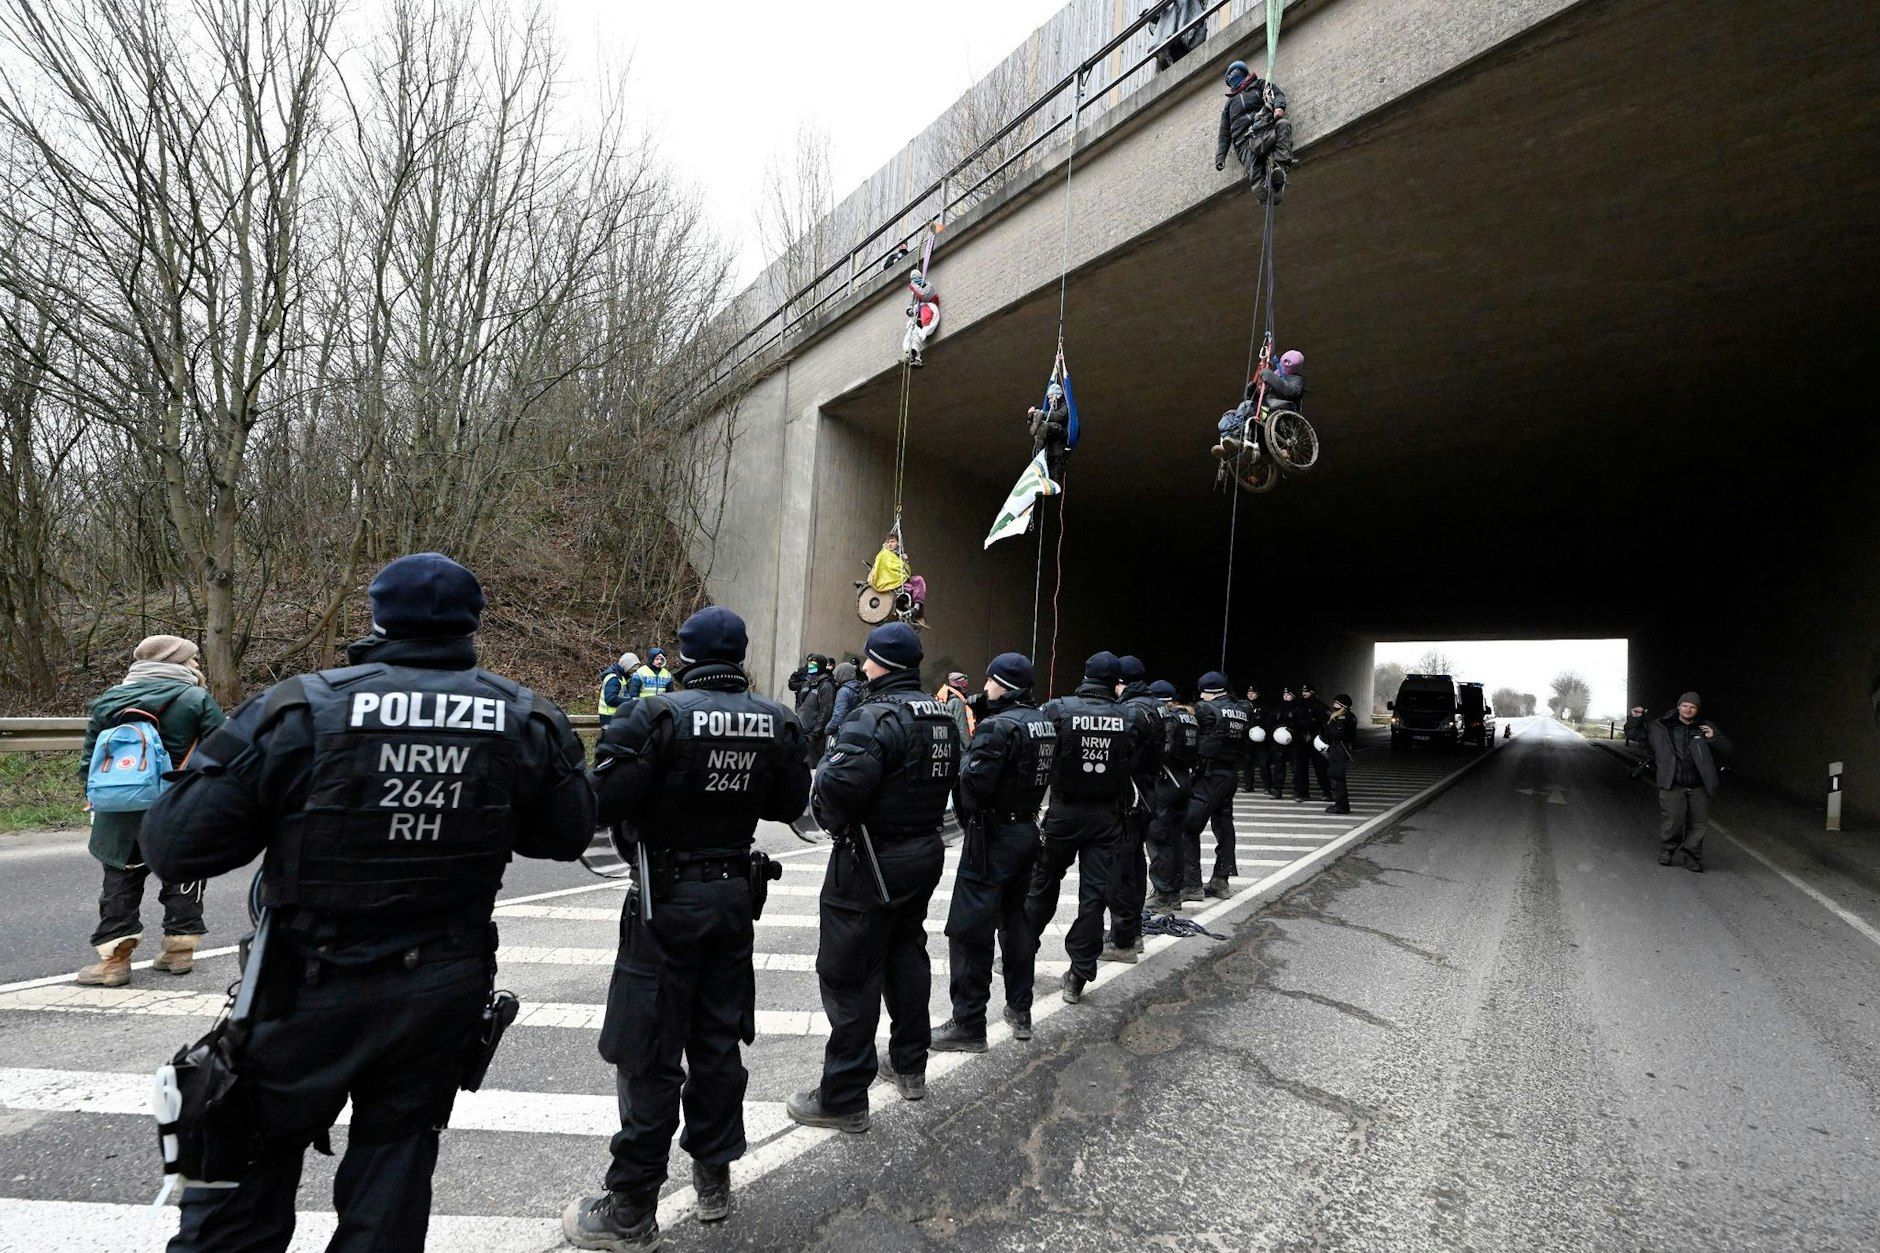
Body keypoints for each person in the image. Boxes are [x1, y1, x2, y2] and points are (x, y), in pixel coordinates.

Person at [141, 553, 594, 1253]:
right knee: (393, 1180)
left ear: (377, 618)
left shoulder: (301, 706)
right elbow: (569, 831)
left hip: (305, 987)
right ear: (472, 626)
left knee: (240, 1180)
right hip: (440, 990)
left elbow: (176, 844)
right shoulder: (525, 718)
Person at [563, 607, 811, 1249]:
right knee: (717, 1041)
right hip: (732, 899)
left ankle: (631, 1208)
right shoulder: (776, 720)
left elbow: (599, 802)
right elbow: (791, 803)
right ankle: (713, 1182)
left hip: (663, 903)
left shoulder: (657, 715)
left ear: (683, 653)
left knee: (648, 1051)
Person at [789, 622, 959, 1131]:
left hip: (869, 861)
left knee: (849, 974)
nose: (863, 668)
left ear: (878, 662)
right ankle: (910, 1066)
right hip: (924, 852)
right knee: (907, 954)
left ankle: (843, 1096)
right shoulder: (943, 717)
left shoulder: (873, 717)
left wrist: (830, 814)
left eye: (868, 660)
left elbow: (835, 793)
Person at [74, 635, 226, 986]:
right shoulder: (195, 698)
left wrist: (95, 797)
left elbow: (89, 761)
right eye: (192, 660)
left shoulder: (109, 700)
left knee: (120, 877)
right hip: (180, 803)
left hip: (119, 807)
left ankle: (114, 961)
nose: (197, 666)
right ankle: (179, 950)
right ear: (176, 662)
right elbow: (226, 748)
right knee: (183, 872)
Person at [932, 652, 1055, 1052]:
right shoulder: (1043, 724)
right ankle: (1020, 1010)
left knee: (969, 931)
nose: (984, 688)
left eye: (990, 682)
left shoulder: (996, 728)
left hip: (992, 837)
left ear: (1003, 684)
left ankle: (968, 1023)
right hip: (1026, 832)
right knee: (1016, 922)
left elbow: (972, 787)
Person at [1025, 652, 1148, 1003]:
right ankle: (1078, 975)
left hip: (1064, 812)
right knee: (1093, 897)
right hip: (1108, 818)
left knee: (1042, 883)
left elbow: (1038, 755)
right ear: (1116, 681)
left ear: (1086, 675)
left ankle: (1022, 951)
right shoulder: (1130, 717)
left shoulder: (1058, 710)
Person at [1105, 655, 1163, 962]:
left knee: (1120, 868)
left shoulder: (1130, 711)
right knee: (1135, 864)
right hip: (1147, 794)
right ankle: (1133, 932)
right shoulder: (1154, 706)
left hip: (1130, 798)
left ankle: (1122, 940)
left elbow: (1121, 756)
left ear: (1119, 682)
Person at [1184, 672, 1250, 901]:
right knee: (1224, 824)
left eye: (1203, 692)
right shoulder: (1243, 710)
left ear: (1211, 692)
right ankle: (1221, 880)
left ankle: (1191, 885)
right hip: (1230, 774)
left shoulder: (1205, 710)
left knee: (1188, 825)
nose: (1201, 696)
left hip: (1209, 775)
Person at [1648, 693, 1731, 872]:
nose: (1688, 709)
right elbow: (1638, 735)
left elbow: (1728, 749)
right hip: (1673, 783)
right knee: (1674, 821)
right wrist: (1635, 719)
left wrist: (1713, 737)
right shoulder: (1662, 726)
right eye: (1684, 705)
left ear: (1697, 710)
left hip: (1699, 785)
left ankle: (1692, 857)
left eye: (1692, 707)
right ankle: (1667, 851)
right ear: (1678, 707)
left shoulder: (1705, 727)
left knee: (1698, 824)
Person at [1145, 680, 1199, 911]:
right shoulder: (1190, 717)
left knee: (1159, 838)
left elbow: (1161, 751)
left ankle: (1163, 893)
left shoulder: (1167, 718)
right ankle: (1175, 890)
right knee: (1175, 837)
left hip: (1166, 780)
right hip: (1183, 780)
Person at [1214, 59, 1293, 204]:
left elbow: (1277, 94)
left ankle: (1280, 171)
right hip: (1243, 139)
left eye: (1236, 72)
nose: (1233, 76)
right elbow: (1224, 133)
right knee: (1250, 159)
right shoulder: (1229, 104)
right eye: (1230, 75)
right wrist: (1220, 156)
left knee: (1283, 126)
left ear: (1244, 73)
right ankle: (1260, 187)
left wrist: (1279, 106)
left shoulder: (1259, 85)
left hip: (1263, 129)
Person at [1214, 351, 1305, 458]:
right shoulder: (1274, 377)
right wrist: (1252, 392)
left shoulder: (1296, 380)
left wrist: (1270, 376)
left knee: (1246, 406)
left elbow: (1291, 392)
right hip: (1264, 412)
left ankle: (1237, 438)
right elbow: (1259, 400)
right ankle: (1228, 444)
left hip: (1277, 418)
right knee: (1228, 417)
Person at [1318, 694, 1358, 814]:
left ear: (1342, 706)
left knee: (1337, 776)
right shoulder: (1342, 716)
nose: (1333, 705)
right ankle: (1340, 803)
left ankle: (1341, 805)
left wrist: (1328, 727)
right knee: (1335, 775)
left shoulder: (1343, 718)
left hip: (1340, 749)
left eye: (1336, 703)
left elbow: (1337, 734)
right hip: (1337, 748)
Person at [1295, 682, 1332, 803]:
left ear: (1312, 692)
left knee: (1321, 767)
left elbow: (1327, 722)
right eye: (1303, 691)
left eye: (1306, 691)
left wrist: (1313, 725)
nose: (1304, 693)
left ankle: (1327, 792)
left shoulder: (1319, 706)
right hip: (1301, 740)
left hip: (1316, 740)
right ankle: (1302, 792)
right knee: (1300, 768)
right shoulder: (1299, 705)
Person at [795, 655, 836, 765]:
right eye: (809, 665)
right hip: (801, 734)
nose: (810, 668)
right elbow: (799, 705)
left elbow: (825, 712)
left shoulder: (826, 687)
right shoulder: (805, 684)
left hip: (813, 739)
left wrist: (815, 734)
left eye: (814, 665)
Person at [1027, 381, 1071, 481]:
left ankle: (1039, 425)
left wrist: (1042, 414)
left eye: (1051, 397)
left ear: (1057, 396)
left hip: (1061, 431)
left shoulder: (1065, 405)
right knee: (1042, 425)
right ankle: (1038, 448)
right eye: (1049, 398)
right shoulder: (1051, 407)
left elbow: (1060, 416)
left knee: (1045, 425)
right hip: (1051, 442)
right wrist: (1032, 416)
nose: (1049, 400)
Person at [1145, 0, 1206, 71]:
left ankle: (1176, 45)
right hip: (1170, 33)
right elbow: (1156, 26)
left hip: (1186, 30)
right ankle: (1169, 50)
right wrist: (1154, 15)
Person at [1245, 682, 1281, 798]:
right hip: (1248, 740)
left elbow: (1270, 721)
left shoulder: (1264, 708)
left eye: (1253, 693)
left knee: (1264, 763)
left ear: (1258, 694)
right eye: (1249, 692)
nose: (1250, 695)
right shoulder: (1244, 706)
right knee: (1248, 763)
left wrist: (1264, 731)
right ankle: (1248, 785)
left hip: (1261, 741)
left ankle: (1267, 786)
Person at [823, 660, 866, 755]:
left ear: (842, 675)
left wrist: (827, 729)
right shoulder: (861, 688)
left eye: (836, 675)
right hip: (858, 731)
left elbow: (838, 718)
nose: (835, 678)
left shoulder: (843, 692)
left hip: (843, 734)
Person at [902, 273, 939, 368]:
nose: (913, 281)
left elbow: (924, 295)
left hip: (927, 311)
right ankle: (913, 355)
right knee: (911, 333)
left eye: (915, 279)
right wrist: (909, 310)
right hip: (917, 314)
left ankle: (914, 356)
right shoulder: (914, 291)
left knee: (921, 327)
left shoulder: (928, 286)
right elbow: (911, 303)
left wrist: (914, 286)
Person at [598, 652, 639, 729]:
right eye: (632, 670)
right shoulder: (614, 679)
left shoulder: (622, 677)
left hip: (615, 716)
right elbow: (611, 699)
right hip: (609, 717)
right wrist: (631, 701)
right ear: (626, 666)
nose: (633, 673)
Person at [935, 670, 977, 746]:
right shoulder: (957, 702)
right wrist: (969, 748)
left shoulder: (943, 699)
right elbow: (962, 729)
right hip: (958, 747)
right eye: (965, 685)